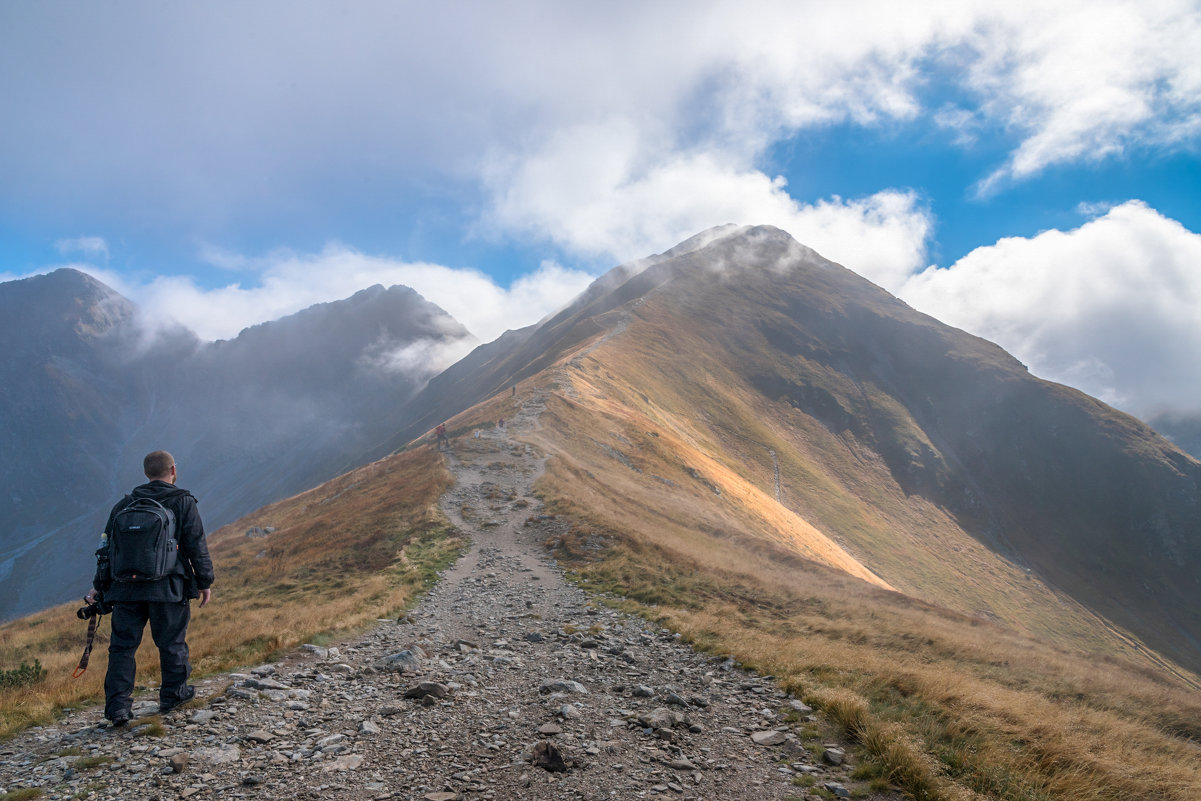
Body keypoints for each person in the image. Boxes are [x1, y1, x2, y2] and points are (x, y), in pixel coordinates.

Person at [85, 450, 215, 726]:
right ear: (173, 470)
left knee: (122, 648)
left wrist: (99, 586)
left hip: (125, 590)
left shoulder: (125, 504)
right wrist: (205, 582)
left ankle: (118, 708)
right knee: (171, 643)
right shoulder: (183, 502)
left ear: (146, 473)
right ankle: (173, 695)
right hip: (167, 588)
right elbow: (196, 544)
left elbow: (106, 549)